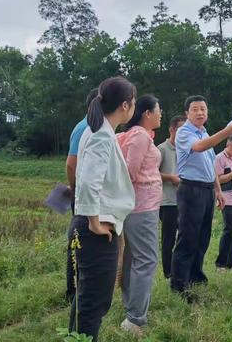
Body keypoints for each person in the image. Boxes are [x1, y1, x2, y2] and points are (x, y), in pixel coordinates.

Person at [68, 76, 136, 342]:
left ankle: (76, 338)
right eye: (132, 103)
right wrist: (93, 220)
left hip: (99, 224)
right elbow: (87, 181)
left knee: (89, 298)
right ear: (125, 105)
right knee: (94, 301)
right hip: (97, 229)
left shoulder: (100, 130)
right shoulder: (101, 135)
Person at [170, 95, 232, 298]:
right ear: (187, 113)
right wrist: (227, 131)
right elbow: (199, 148)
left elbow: (209, 165)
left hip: (207, 189)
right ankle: (179, 284)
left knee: (202, 237)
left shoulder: (204, 133)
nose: (200, 112)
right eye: (195, 109)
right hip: (191, 190)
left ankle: (196, 277)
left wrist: (218, 190)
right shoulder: (185, 133)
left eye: (203, 109)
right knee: (187, 237)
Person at [117, 95, 163, 335]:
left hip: (140, 206)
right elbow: (129, 172)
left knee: (133, 259)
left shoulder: (135, 135)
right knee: (146, 260)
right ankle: (134, 319)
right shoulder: (140, 135)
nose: (160, 113)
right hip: (141, 207)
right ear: (147, 113)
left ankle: (131, 309)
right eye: (158, 110)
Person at [65, 88, 98, 302]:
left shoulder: (95, 127)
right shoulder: (85, 127)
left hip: (88, 194)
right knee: (78, 240)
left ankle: (85, 286)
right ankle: (73, 290)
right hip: (82, 194)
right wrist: (76, 189)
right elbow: (71, 163)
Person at [158, 115, 187, 279]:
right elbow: (151, 172)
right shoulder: (161, 149)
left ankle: (181, 270)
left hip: (186, 200)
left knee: (183, 237)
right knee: (168, 238)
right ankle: (168, 273)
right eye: (181, 129)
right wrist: (170, 178)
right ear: (171, 129)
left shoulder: (188, 149)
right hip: (168, 200)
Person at [214, 135, 232, 271]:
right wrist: (231, 174)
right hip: (227, 198)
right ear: (228, 145)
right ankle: (221, 263)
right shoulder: (219, 158)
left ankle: (231, 263)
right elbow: (217, 179)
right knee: (229, 229)